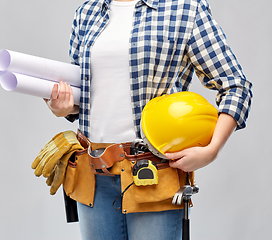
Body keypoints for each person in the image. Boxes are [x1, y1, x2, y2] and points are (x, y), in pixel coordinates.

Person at [44, 0, 252, 239]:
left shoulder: (185, 8)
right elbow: (87, 94)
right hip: (93, 177)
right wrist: (65, 107)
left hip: (152, 175)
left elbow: (236, 85)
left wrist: (213, 149)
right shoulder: (87, 11)